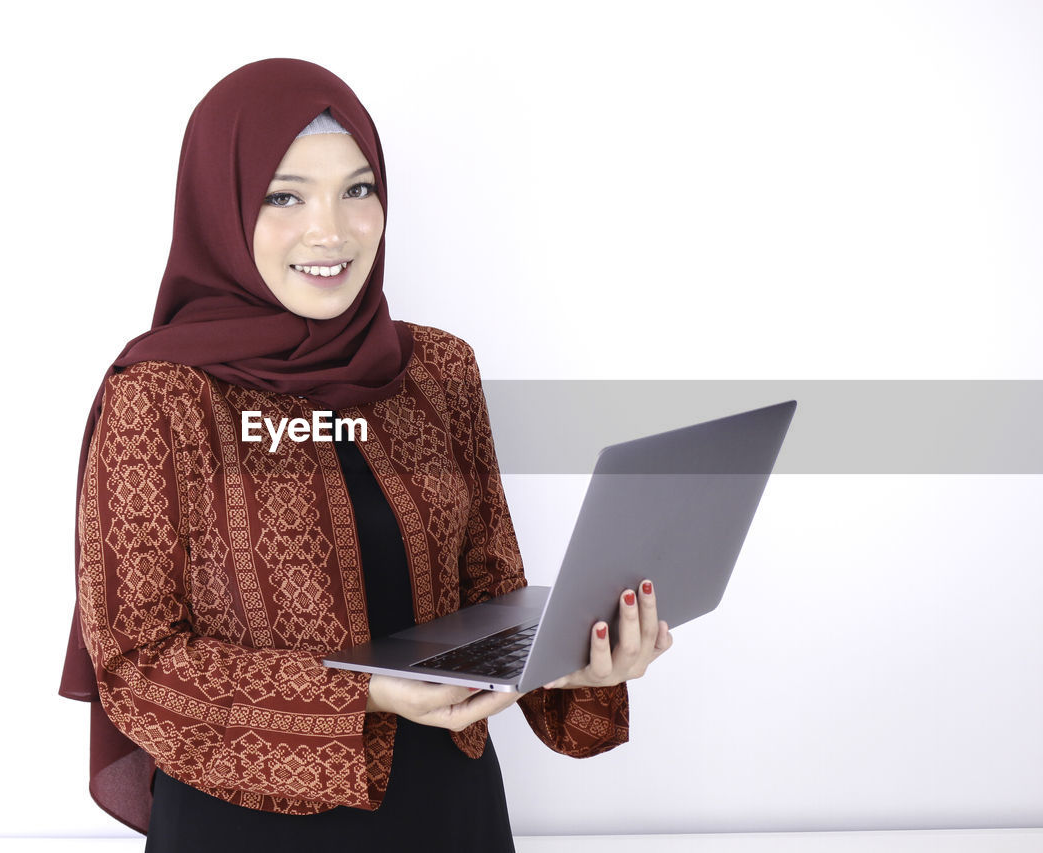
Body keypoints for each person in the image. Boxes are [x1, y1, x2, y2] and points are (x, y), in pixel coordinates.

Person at [58, 58, 673, 852]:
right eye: (286, 196)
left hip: (450, 814)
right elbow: (135, 665)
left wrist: (575, 665)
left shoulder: (438, 371)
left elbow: (491, 592)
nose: (333, 232)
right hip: (247, 828)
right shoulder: (160, 397)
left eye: (358, 189)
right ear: (220, 205)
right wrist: (365, 693)